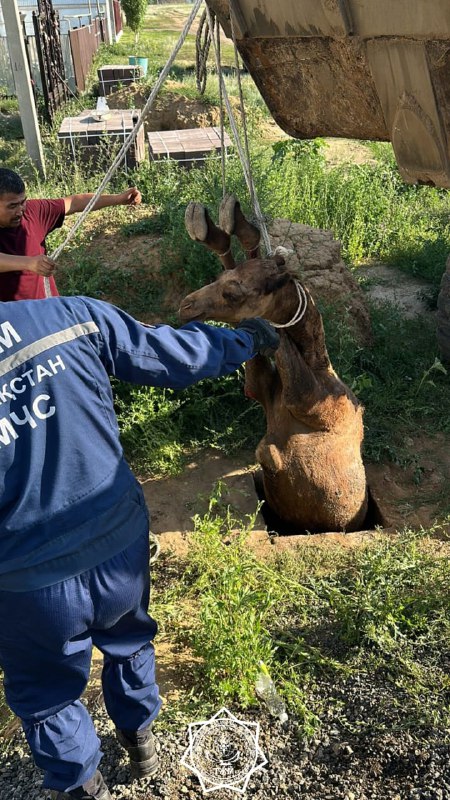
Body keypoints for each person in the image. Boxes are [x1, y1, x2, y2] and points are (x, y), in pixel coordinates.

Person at [0, 294, 279, 800]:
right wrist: (247, 340)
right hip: (118, 543)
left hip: (27, 580)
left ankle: (83, 784)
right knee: (129, 641)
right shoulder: (67, 316)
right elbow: (167, 354)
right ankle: (141, 742)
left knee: (46, 697)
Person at [0, 167, 142, 301]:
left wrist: (117, 199)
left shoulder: (33, 212)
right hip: (8, 320)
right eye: (12, 206)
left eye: (22, 202)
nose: (20, 211)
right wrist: (29, 263)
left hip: (47, 311)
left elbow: (74, 202)